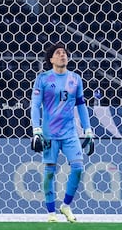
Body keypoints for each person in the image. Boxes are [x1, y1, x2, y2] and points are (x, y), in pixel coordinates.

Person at [30, 42, 94, 223]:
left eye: (64, 52)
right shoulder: (42, 79)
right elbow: (34, 105)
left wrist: (87, 129)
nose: (62, 55)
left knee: (78, 167)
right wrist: (36, 129)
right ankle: (51, 212)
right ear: (51, 59)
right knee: (49, 172)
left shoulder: (75, 79)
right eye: (58, 53)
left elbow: (81, 105)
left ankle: (66, 205)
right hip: (49, 133)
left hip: (70, 133)